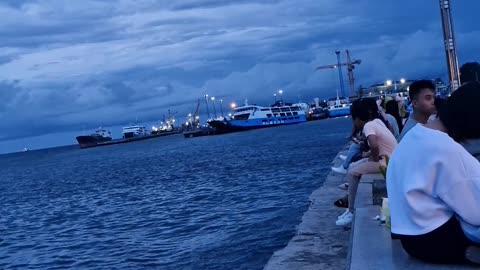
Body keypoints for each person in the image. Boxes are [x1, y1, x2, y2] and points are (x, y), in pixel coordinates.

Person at [386, 81, 480, 265]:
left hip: (409, 238)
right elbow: (475, 212)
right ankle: (466, 252)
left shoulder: (413, 136)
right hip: (439, 239)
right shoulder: (447, 149)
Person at [335, 98, 398, 226]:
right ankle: (349, 205)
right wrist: (368, 155)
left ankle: (351, 210)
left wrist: (374, 157)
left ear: (357, 118)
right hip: (392, 159)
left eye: (354, 119)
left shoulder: (368, 126)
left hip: (386, 162)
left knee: (353, 172)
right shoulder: (377, 121)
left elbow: (374, 145)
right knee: (354, 165)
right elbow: (383, 143)